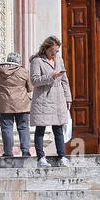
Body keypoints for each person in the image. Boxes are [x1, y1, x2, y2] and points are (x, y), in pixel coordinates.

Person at [30, 35, 72, 167]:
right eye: (52, 50)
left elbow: (65, 80)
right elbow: (34, 80)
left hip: (58, 97)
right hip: (43, 98)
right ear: (45, 49)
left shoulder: (59, 60)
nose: (54, 53)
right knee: (40, 128)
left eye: (57, 51)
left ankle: (62, 157)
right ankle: (40, 158)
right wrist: (51, 76)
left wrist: (68, 98)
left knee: (58, 128)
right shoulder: (37, 61)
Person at [0, 50, 32, 159]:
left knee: (6, 128)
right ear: (19, 61)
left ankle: (8, 152)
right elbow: (30, 88)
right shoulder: (23, 71)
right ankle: (26, 151)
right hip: (22, 104)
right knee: (23, 127)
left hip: (4, 104)